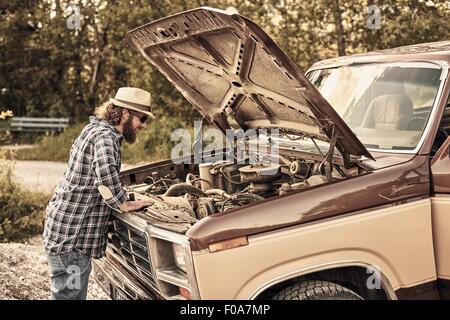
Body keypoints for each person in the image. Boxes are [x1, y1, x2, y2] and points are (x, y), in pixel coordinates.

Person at [43, 87, 155, 300]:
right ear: (124, 113)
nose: (143, 125)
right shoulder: (106, 137)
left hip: (65, 235)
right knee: (70, 296)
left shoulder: (94, 129)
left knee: (67, 295)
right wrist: (124, 204)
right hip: (72, 243)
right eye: (141, 118)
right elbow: (105, 177)